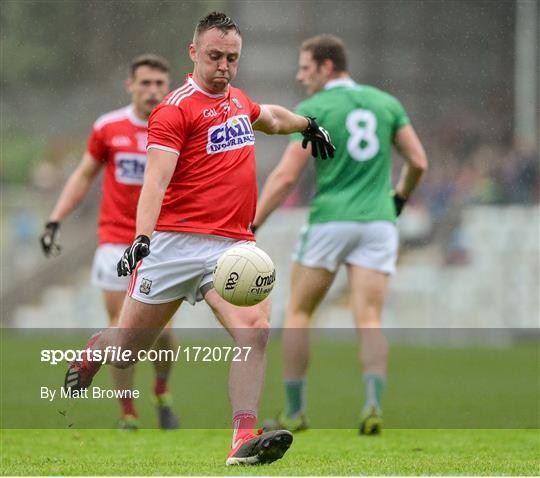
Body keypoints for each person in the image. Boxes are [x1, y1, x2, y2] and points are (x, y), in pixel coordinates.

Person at [63, 12, 334, 465]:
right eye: (214, 56)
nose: (224, 66)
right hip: (171, 246)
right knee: (128, 349)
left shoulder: (237, 101)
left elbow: (269, 116)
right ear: (193, 54)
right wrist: (142, 238)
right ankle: (97, 349)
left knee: (256, 331)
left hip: (231, 247)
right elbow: (155, 180)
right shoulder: (175, 109)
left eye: (232, 57)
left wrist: (307, 124)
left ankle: (243, 440)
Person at [252, 34, 428, 434]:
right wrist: (399, 198)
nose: (300, 76)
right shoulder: (386, 104)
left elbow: (284, 177)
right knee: (368, 318)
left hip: (332, 219)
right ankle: (371, 406)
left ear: (326, 67)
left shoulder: (315, 109)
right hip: (379, 221)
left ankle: (294, 413)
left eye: (305, 67)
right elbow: (418, 161)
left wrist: (254, 223)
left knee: (298, 313)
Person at [40, 54, 180, 430]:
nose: (152, 91)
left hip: (159, 245)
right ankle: (127, 414)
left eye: (159, 84)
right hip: (116, 244)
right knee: (123, 330)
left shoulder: (177, 126)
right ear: (130, 85)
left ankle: (162, 393)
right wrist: (56, 218)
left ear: (168, 87)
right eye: (145, 83)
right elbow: (84, 176)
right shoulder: (108, 127)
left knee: (164, 335)